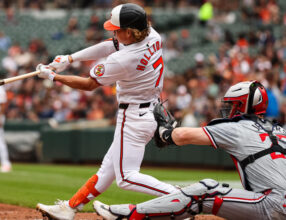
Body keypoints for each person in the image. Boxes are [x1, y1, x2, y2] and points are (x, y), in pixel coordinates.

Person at [36, 3, 178, 220]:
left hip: (133, 116)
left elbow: (88, 85)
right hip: (148, 111)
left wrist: (53, 77)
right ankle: (70, 208)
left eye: (117, 29)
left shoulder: (123, 59)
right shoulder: (152, 35)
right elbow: (110, 45)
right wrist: (70, 58)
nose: (113, 32)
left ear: (129, 32)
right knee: (106, 171)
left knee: (126, 178)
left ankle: (181, 198)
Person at [93, 81, 286, 220]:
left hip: (272, 205)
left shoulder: (236, 127)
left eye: (232, 104)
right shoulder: (281, 130)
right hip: (279, 203)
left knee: (206, 190)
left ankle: (130, 214)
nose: (227, 109)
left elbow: (183, 136)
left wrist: (165, 132)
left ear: (243, 106)